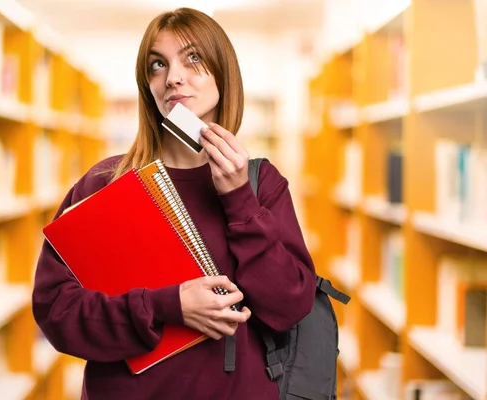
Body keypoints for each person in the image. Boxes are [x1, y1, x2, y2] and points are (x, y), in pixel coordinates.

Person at [32, 7, 316, 400]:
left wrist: (238, 199)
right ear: (147, 85)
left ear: (223, 72)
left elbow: (290, 306)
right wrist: (168, 306)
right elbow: (56, 312)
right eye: (157, 65)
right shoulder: (105, 183)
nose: (173, 77)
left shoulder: (260, 183)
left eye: (193, 58)